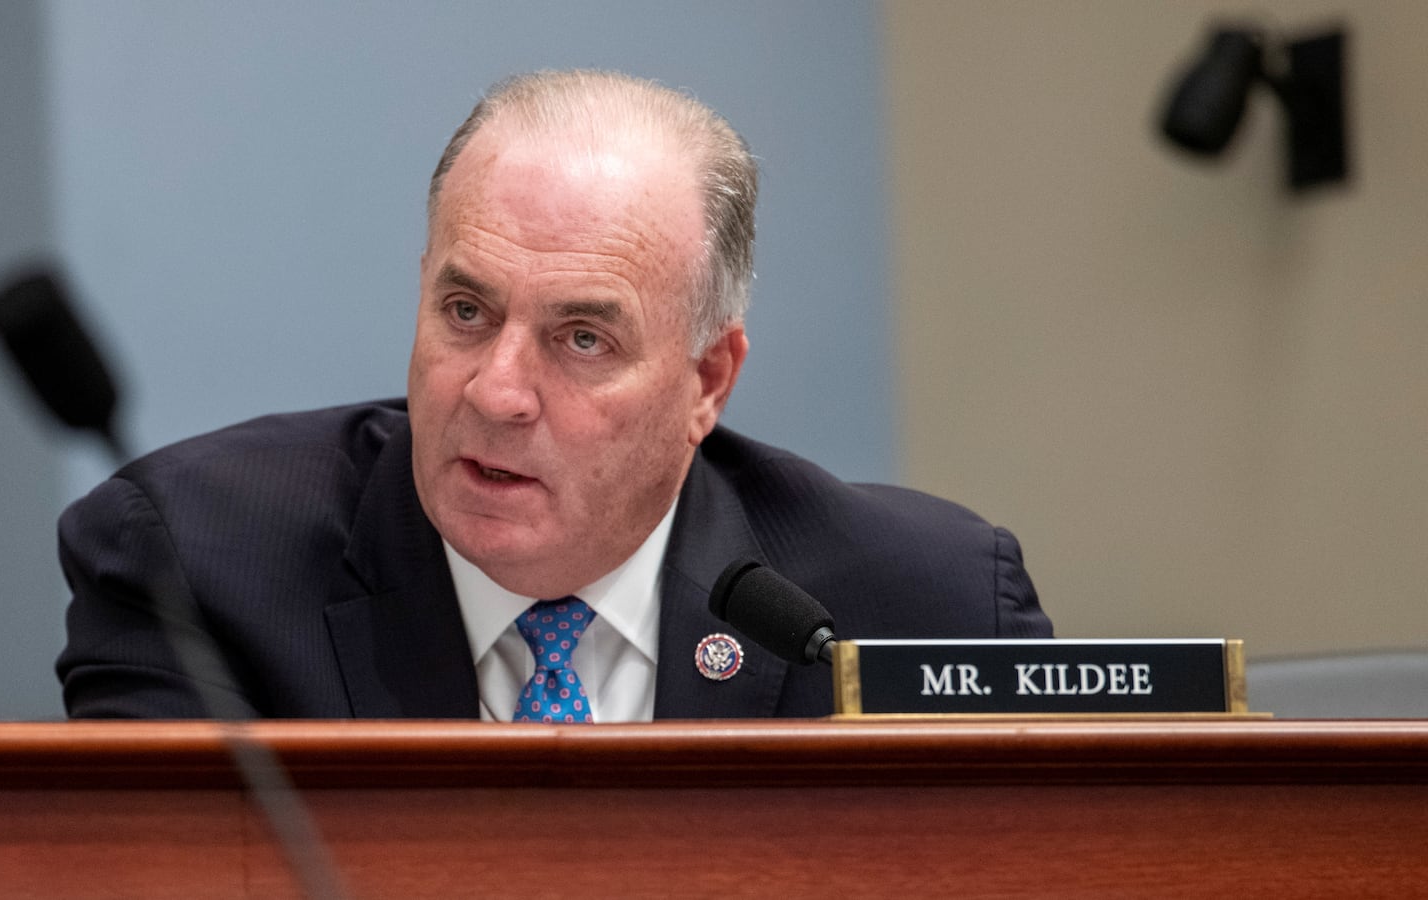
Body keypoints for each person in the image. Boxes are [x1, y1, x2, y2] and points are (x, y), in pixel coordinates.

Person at [56, 69, 1051, 721]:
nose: (496, 392)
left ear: (707, 380)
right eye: (465, 312)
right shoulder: (199, 567)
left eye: (582, 338)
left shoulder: (925, 607)